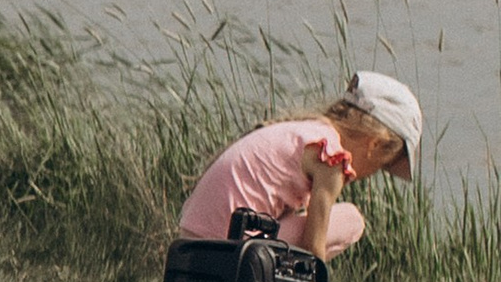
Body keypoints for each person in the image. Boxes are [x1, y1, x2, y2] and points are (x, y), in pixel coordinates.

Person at [175, 69, 425, 260]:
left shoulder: (302, 132)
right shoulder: (331, 157)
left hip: (190, 245)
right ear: (374, 145)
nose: (371, 175)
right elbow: (312, 249)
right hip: (231, 253)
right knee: (351, 220)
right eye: (383, 165)